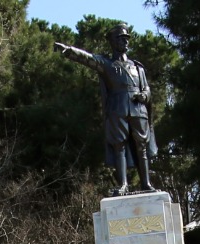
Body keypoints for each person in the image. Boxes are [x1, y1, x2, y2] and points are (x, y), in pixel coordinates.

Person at [52, 22, 158, 195]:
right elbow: (87, 58)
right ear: (112, 41)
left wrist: (144, 96)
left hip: (138, 110)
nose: (125, 41)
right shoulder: (107, 64)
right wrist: (68, 50)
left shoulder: (137, 67)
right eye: (121, 38)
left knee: (142, 146)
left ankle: (146, 183)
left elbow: (146, 89)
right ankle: (123, 184)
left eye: (126, 38)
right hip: (117, 108)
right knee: (119, 146)